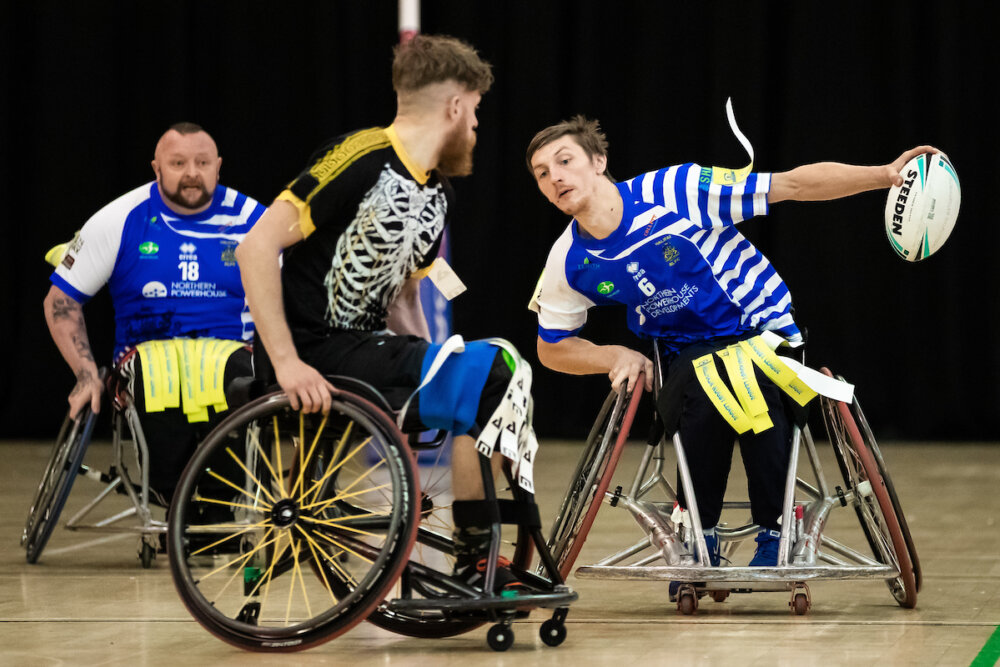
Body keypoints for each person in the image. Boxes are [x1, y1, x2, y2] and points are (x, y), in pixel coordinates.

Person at [526, 114, 934, 567]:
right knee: (702, 391)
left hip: (763, 325)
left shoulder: (675, 190)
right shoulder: (568, 259)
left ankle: (778, 528)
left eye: (565, 161)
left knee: (756, 384)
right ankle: (698, 533)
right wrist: (613, 355)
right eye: (542, 174)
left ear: (599, 161)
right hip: (684, 349)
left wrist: (883, 176)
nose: (555, 177)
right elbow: (552, 347)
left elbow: (793, 185)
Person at [235, 35, 532, 591]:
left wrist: (435, 367)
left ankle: (476, 560)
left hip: (365, 347)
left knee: (479, 377)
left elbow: (403, 299)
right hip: (313, 348)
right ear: (454, 106)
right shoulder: (361, 155)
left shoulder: (437, 194)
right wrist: (288, 363)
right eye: (475, 113)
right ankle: (475, 559)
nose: (475, 129)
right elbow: (255, 249)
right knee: (493, 369)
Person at [44, 122, 266, 502]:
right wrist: (85, 375)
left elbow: (292, 297)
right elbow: (60, 302)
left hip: (231, 352)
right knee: (157, 379)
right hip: (143, 356)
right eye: (178, 163)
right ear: (156, 168)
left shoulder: (254, 220)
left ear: (218, 166)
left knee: (237, 377)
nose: (192, 173)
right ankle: (170, 496)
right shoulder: (120, 218)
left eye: (202, 162)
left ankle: (223, 502)